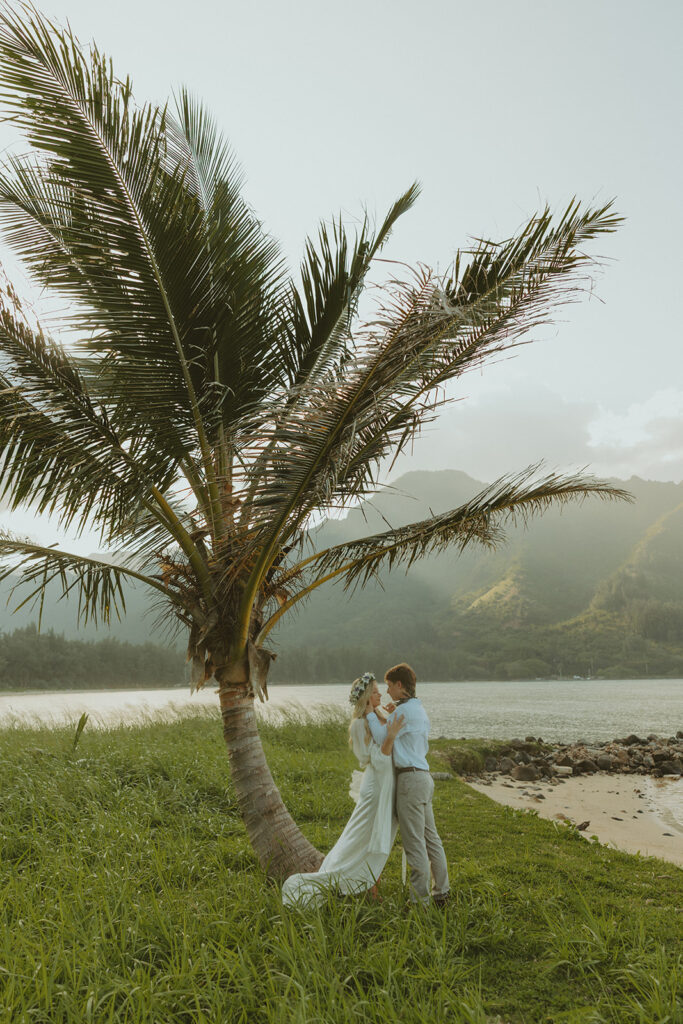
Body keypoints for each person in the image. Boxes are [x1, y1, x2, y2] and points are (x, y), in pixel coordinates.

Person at [281, 672, 404, 907]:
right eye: (376, 691)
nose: (380, 694)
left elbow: (397, 743)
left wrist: (393, 718)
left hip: (388, 785)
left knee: (381, 838)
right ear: (367, 697)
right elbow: (367, 759)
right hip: (374, 788)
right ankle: (337, 878)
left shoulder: (382, 716)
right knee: (360, 838)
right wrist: (389, 738)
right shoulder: (359, 725)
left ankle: (369, 886)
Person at [366, 662, 450, 907]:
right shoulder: (416, 709)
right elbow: (394, 725)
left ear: (399, 685)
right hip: (424, 777)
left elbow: (383, 738)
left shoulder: (403, 712)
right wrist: (385, 712)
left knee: (414, 844)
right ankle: (442, 892)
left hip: (410, 780)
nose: (387, 690)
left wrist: (371, 711)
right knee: (431, 839)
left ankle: (419, 902)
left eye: (389, 685)